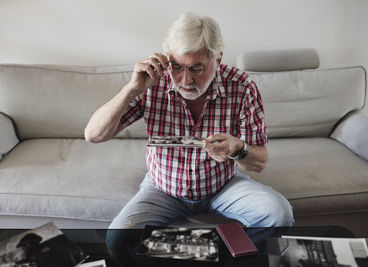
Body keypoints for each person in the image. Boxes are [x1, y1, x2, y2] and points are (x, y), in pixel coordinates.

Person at [85, 12, 293, 231]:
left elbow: (259, 163)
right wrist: (131, 89)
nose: (185, 80)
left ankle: (218, 254)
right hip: (163, 189)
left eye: (196, 68)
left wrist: (237, 148)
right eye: (176, 66)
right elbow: (93, 135)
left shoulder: (241, 86)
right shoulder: (152, 82)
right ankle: (205, 253)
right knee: (118, 238)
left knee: (279, 215)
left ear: (218, 59)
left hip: (222, 186)